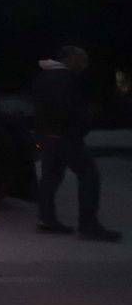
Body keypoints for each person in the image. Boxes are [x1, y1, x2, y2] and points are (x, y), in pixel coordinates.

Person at [33, 46, 120, 242]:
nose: (85, 65)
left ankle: (46, 219)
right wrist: (82, 124)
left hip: (47, 135)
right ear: (70, 58)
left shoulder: (44, 76)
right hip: (65, 137)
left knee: (51, 177)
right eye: (82, 60)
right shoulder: (64, 79)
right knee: (89, 176)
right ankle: (88, 225)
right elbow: (68, 110)